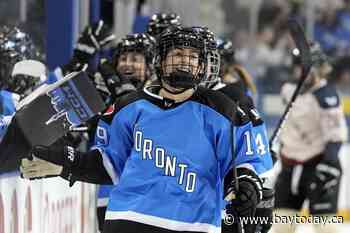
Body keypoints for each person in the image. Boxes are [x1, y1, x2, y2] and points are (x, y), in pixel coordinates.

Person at [21, 26, 264, 233]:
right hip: (129, 220)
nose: (184, 61)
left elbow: (244, 163)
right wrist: (67, 162)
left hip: (193, 225)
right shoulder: (128, 107)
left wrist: (246, 185)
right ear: (160, 60)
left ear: (202, 66)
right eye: (177, 53)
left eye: (193, 56)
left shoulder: (222, 110)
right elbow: (108, 164)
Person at [197, 29, 274, 233]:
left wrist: (255, 192)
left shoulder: (235, 97)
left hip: (222, 201)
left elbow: (255, 161)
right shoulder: (175, 97)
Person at [273, 43, 348, 233]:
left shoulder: (326, 95)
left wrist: (328, 165)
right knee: (281, 225)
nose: (304, 72)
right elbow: (288, 127)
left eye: (308, 67)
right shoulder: (287, 90)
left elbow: (336, 137)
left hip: (319, 166)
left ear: (320, 68)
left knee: (326, 226)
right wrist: (280, 153)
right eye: (300, 67)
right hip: (290, 168)